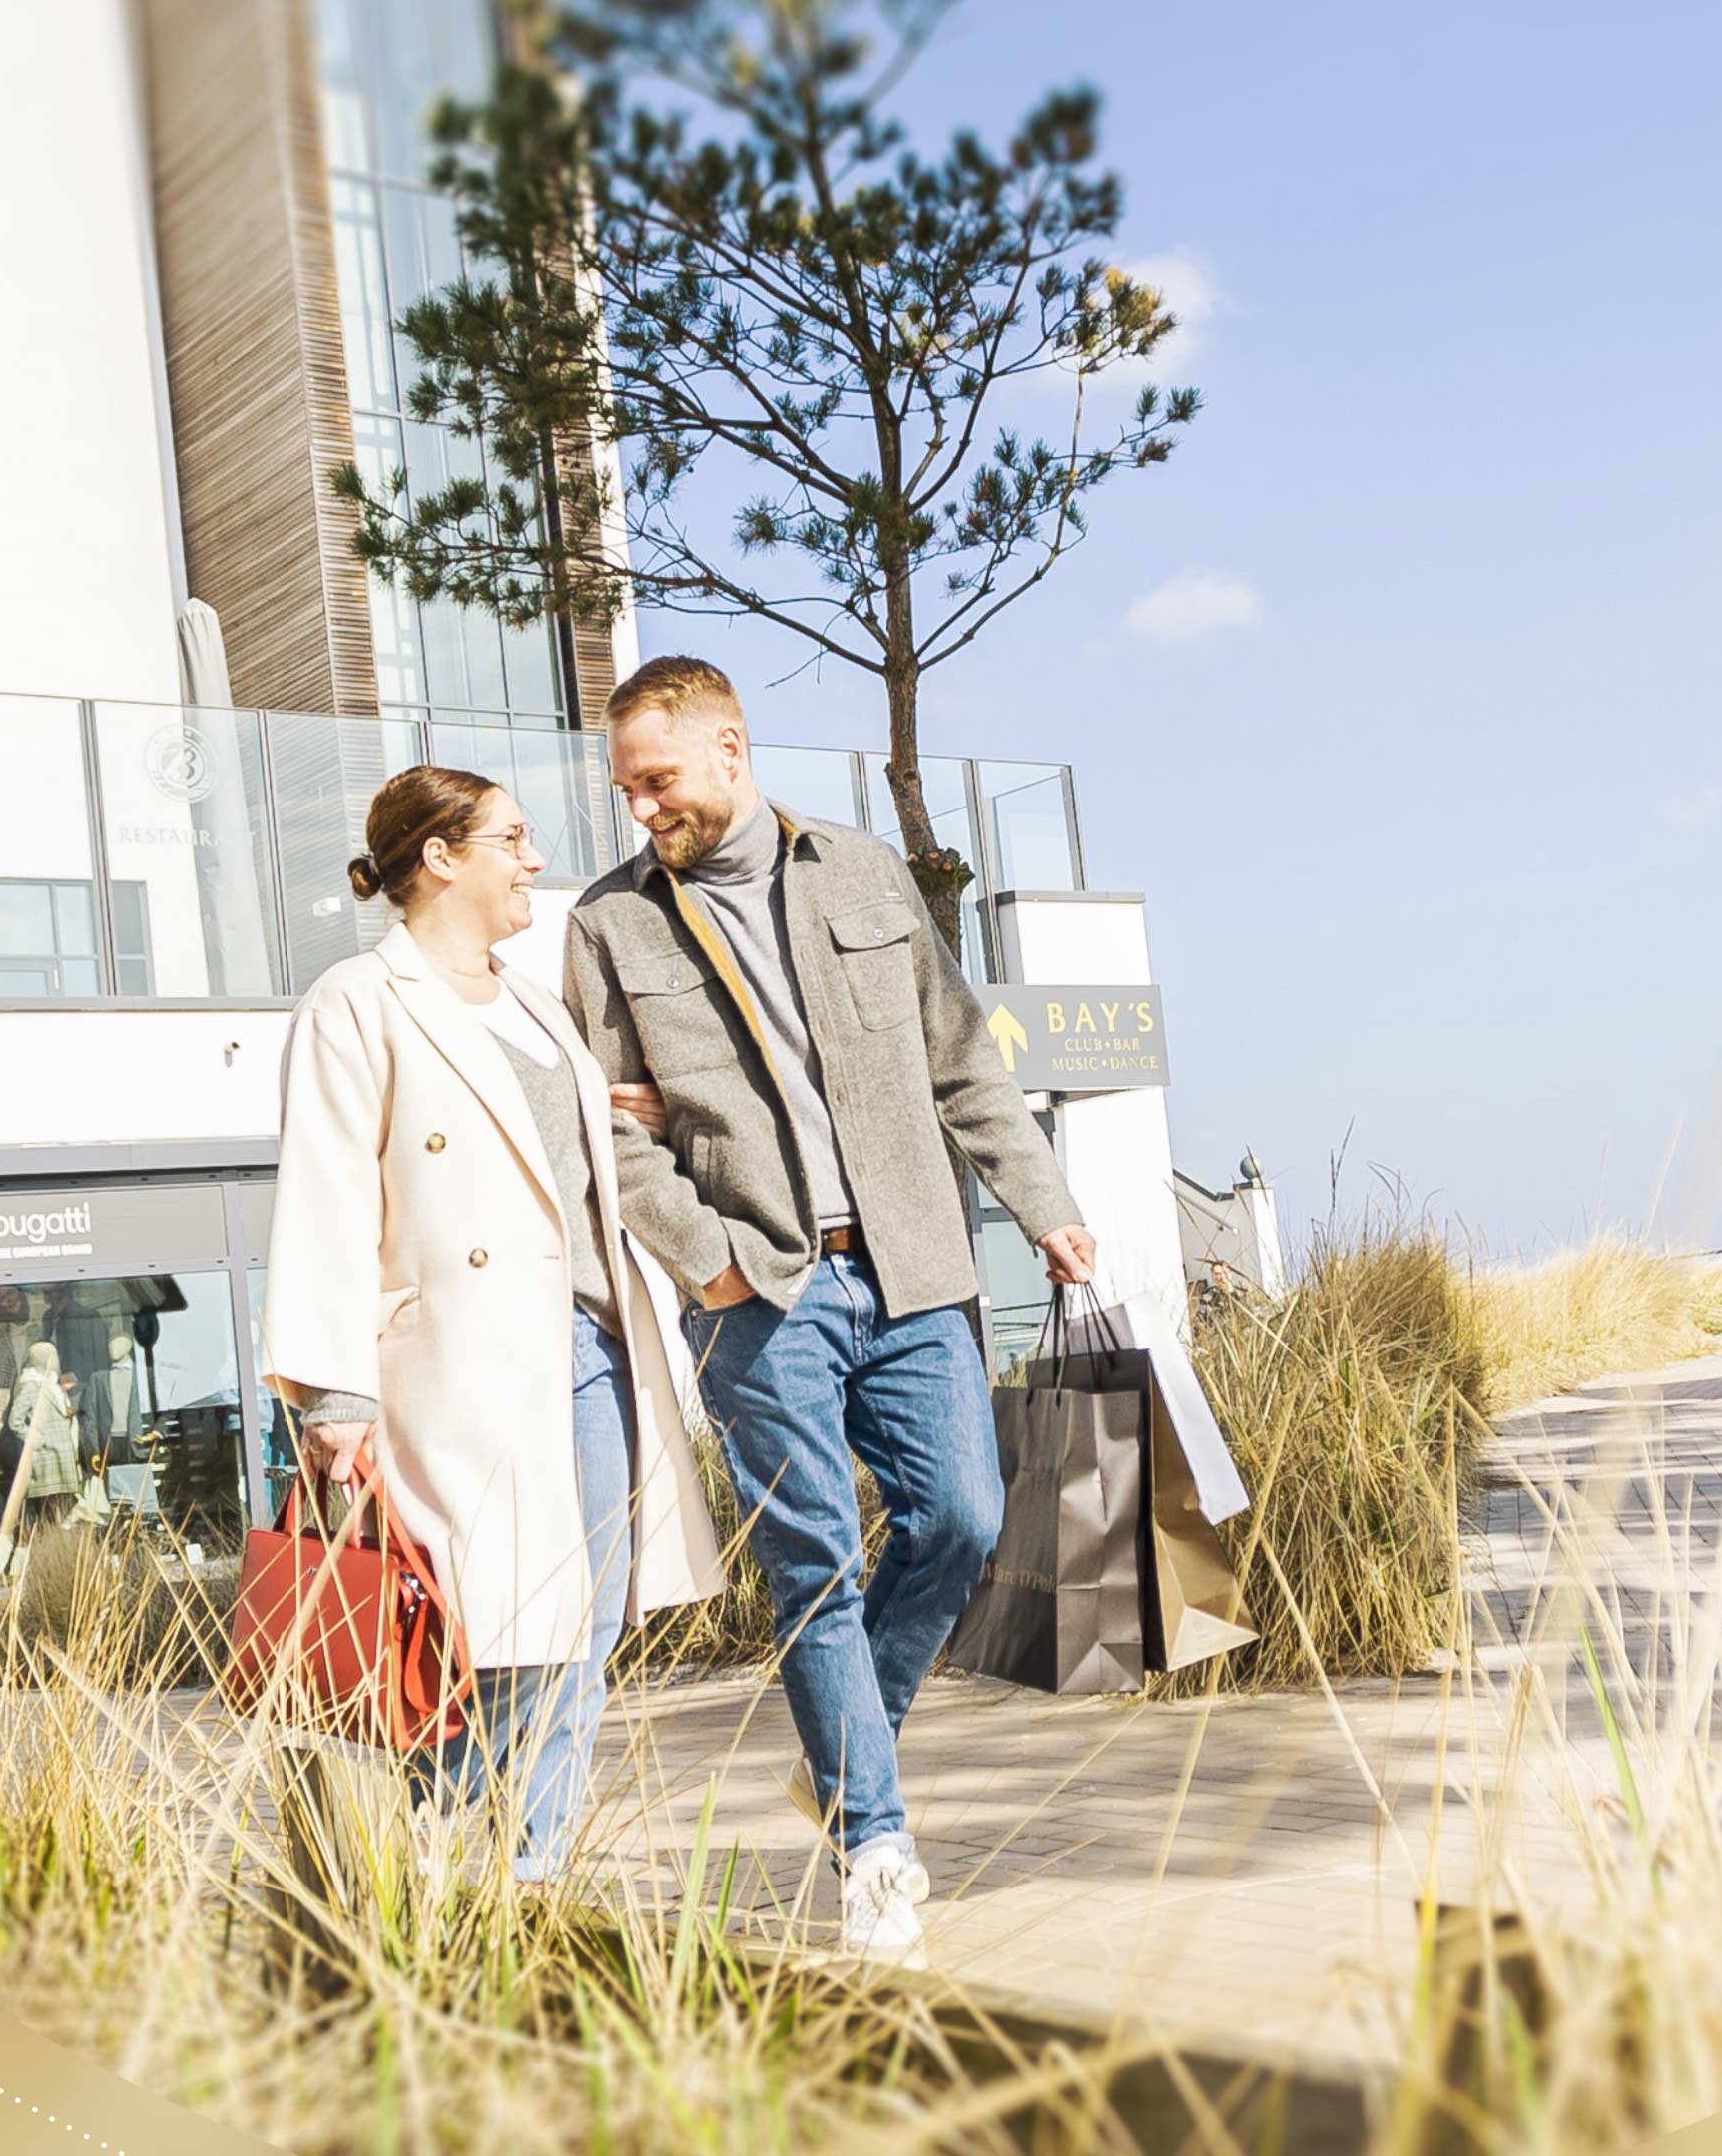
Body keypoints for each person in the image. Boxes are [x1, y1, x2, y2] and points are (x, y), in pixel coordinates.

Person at [561, 656, 1097, 1961]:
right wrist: (707, 1258)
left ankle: (847, 1760)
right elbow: (608, 1130)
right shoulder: (608, 925)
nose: (642, 808)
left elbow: (964, 1066)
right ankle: (877, 1848)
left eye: (660, 778)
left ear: (731, 749)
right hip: (756, 1294)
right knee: (808, 1562)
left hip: (914, 1272)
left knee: (962, 1520)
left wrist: (1045, 1206)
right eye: (627, 787)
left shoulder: (863, 874)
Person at [259, 764, 728, 1884]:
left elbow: (543, 1157)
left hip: (592, 1346)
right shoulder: (356, 1002)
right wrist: (332, 1395)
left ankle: (524, 1874)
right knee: (492, 1632)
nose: (533, 862)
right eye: (511, 841)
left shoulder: (534, 1004)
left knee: (585, 1625)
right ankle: (442, 1855)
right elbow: (324, 1191)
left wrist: (622, 1108)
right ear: (441, 858)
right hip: (458, 1361)